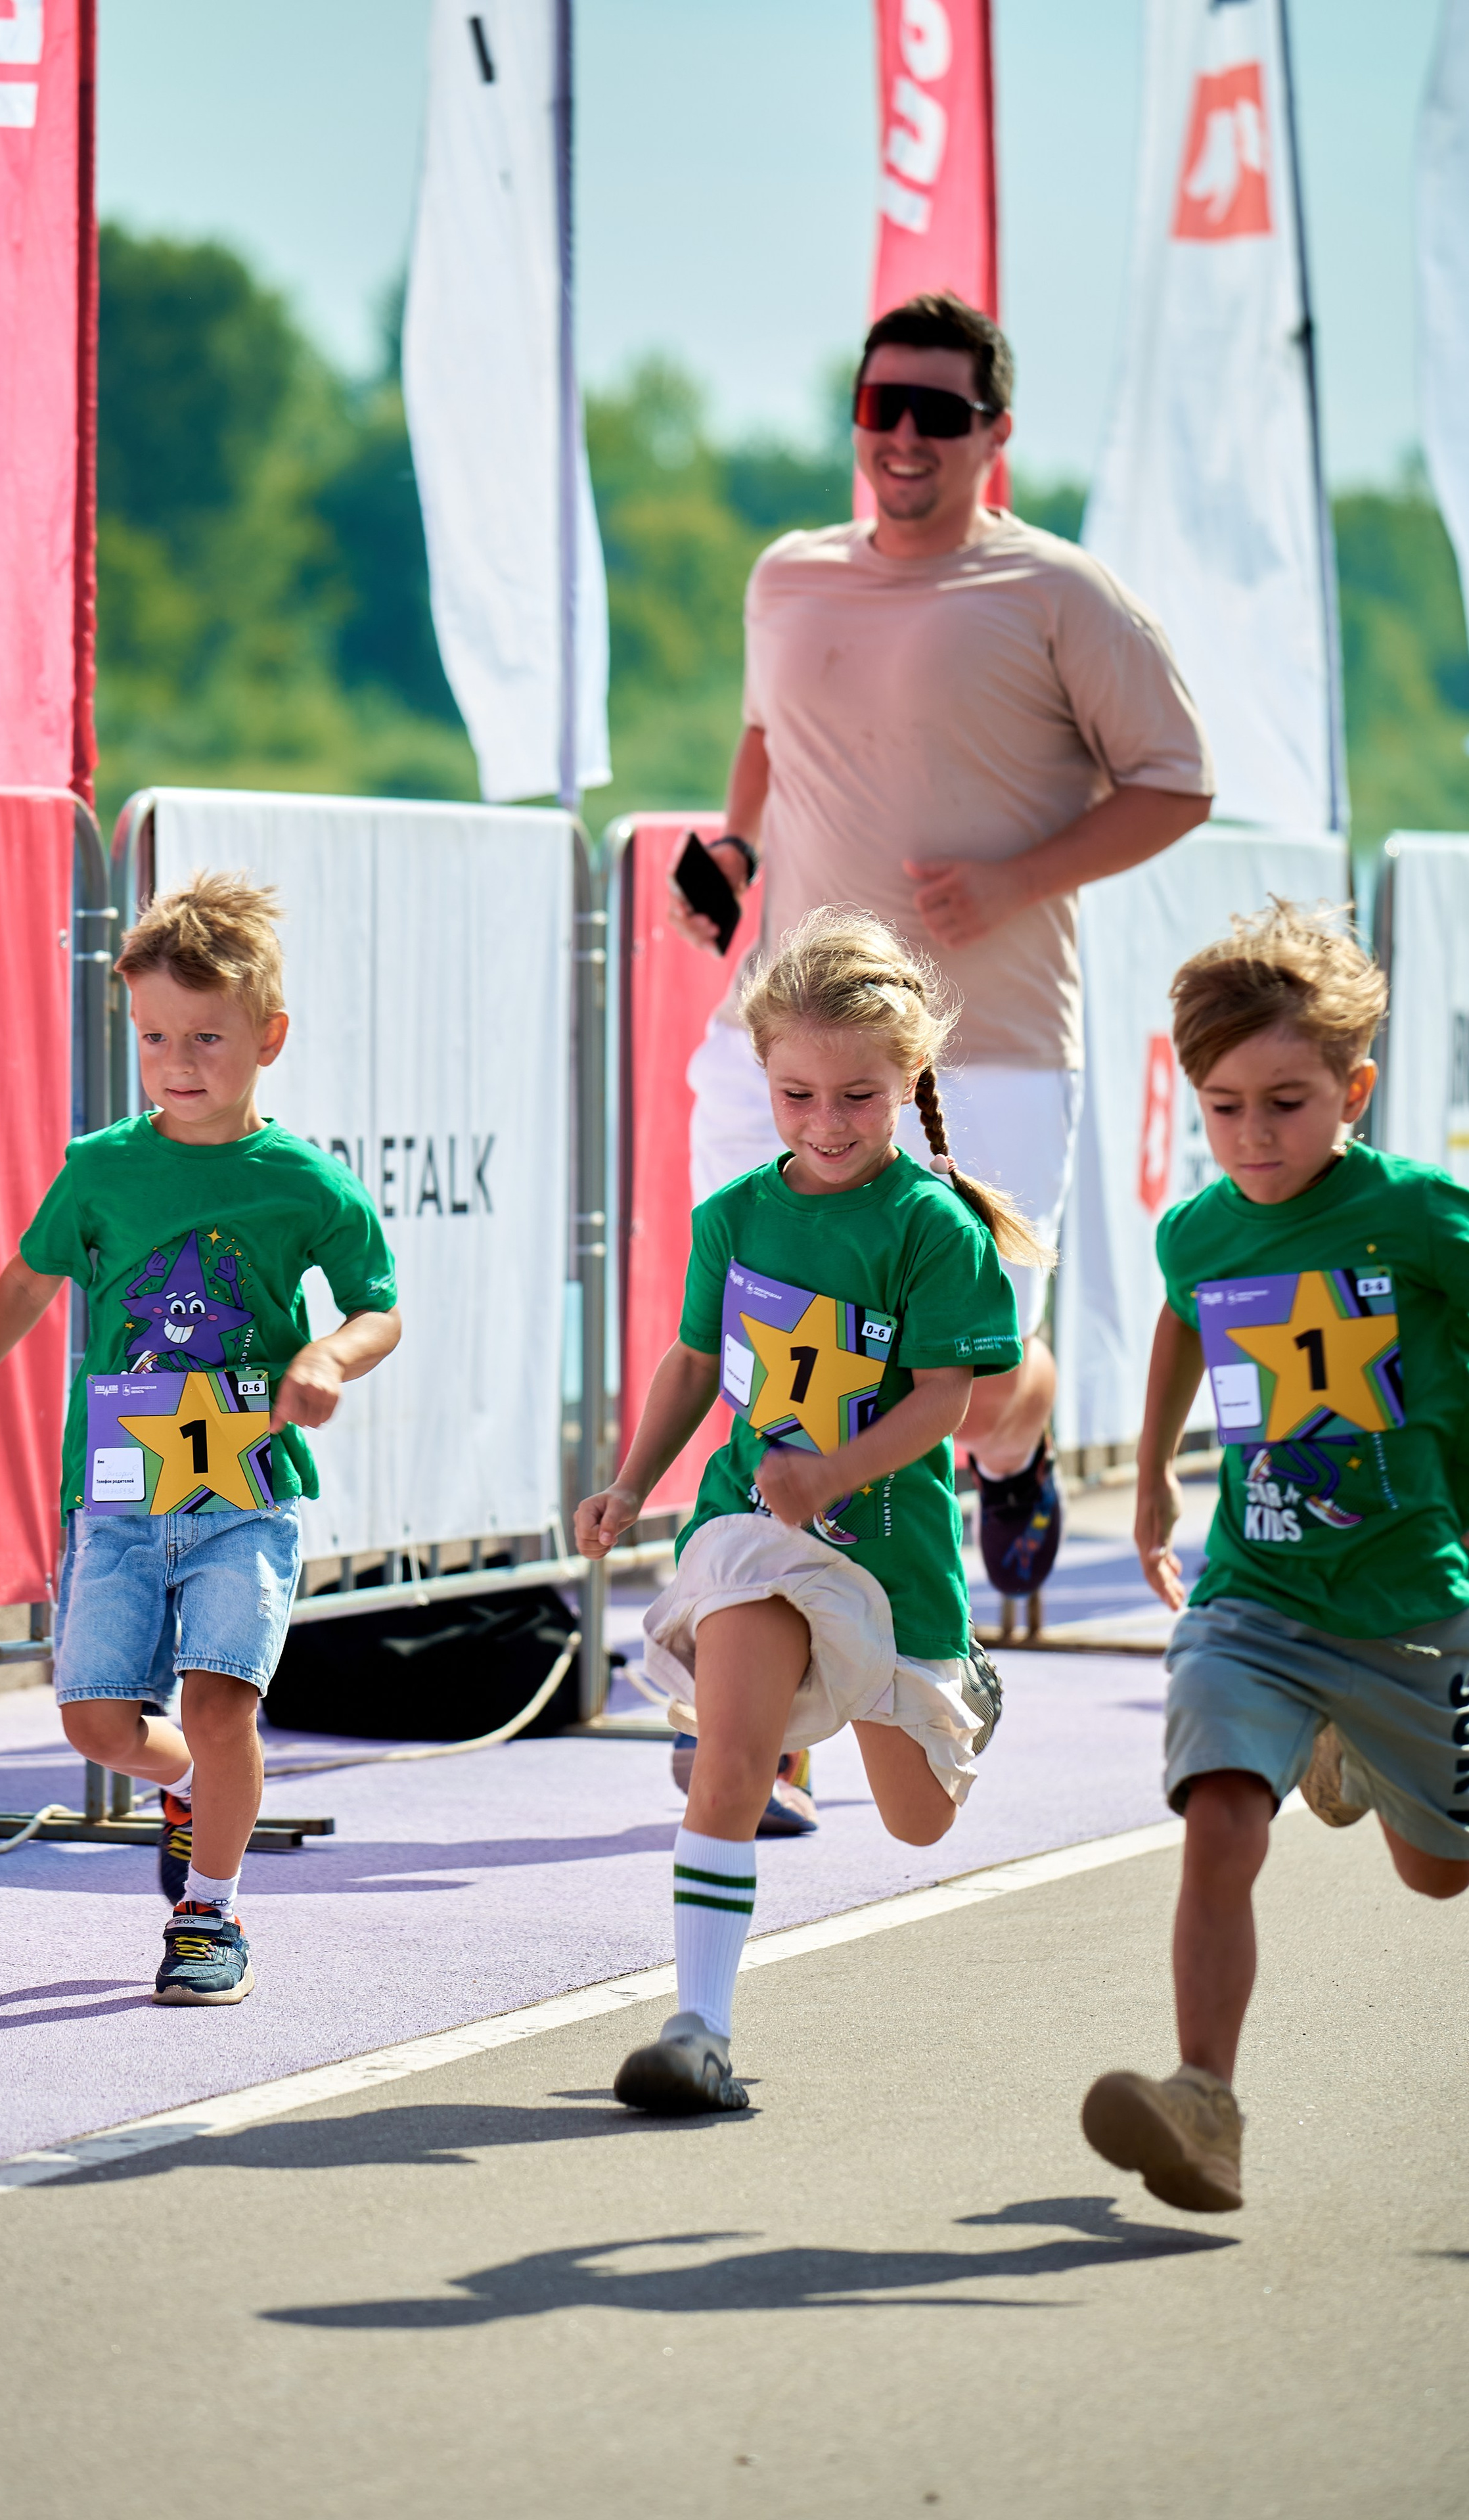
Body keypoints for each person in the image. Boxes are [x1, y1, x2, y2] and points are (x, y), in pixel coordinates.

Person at [673, 290, 1215, 1623]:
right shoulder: (786, 574)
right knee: (765, 1351)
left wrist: (1016, 879)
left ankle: (1015, 1443)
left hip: (987, 1047)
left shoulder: (1057, 591)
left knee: (970, 1384)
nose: (904, 435)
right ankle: (772, 1651)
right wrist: (734, 851)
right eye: (881, 406)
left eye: (937, 411)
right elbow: (766, 735)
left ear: (994, 433)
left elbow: (1178, 781)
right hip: (782, 1040)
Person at [576, 907, 1042, 2113]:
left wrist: (834, 1476)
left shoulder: (931, 1228)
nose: (826, 1124)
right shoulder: (735, 1215)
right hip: (750, 1529)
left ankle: (962, 1686)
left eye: (858, 1098)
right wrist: (632, 1482)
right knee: (728, 1764)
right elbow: (694, 1362)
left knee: (918, 1822)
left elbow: (943, 1402)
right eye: (797, 1096)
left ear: (908, 1080)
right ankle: (698, 2028)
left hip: (884, 1552)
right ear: (764, 1075)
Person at [0, 872, 401, 2007]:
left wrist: (326, 1359)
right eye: (154, 1037)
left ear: (268, 1038)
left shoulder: (305, 1182)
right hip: (119, 1496)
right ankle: (193, 1782)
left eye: (206, 1037)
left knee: (222, 1702)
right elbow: (30, 1279)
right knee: (97, 1724)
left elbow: (378, 1307)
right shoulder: (102, 1167)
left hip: (245, 1493)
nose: (178, 1062)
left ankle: (210, 1913)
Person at [1082, 902, 1469, 2212]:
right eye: (1223, 1107)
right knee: (1218, 1820)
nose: (1253, 1136)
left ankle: (1349, 1750)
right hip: (1256, 1593)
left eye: (1287, 1105)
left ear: (1353, 1091)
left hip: (1414, 1601)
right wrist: (1150, 1476)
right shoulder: (1199, 1230)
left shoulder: (1421, 1217)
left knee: (1440, 1872)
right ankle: (1203, 2102)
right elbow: (1182, 1319)